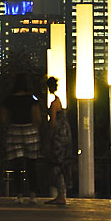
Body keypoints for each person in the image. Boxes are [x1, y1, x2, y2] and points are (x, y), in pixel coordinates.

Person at [0, 72, 42, 204]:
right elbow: (37, 117)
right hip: (30, 131)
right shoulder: (32, 99)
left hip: (14, 131)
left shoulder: (8, 100)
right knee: (31, 164)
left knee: (16, 164)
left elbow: (3, 118)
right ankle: (33, 195)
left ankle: (19, 195)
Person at [44, 76, 72, 206]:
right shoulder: (59, 101)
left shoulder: (53, 104)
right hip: (65, 134)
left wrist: (48, 136)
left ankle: (61, 195)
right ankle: (62, 194)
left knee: (56, 163)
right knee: (62, 164)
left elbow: (53, 123)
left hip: (58, 136)